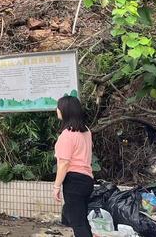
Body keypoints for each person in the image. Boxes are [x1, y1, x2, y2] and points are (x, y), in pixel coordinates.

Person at [52, 95, 94, 237]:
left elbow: (64, 163)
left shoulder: (67, 135)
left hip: (74, 182)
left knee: (78, 223)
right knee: (82, 220)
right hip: (87, 180)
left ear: (65, 110)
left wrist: (57, 186)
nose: (56, 109)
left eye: (58, 107)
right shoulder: (86, 131)